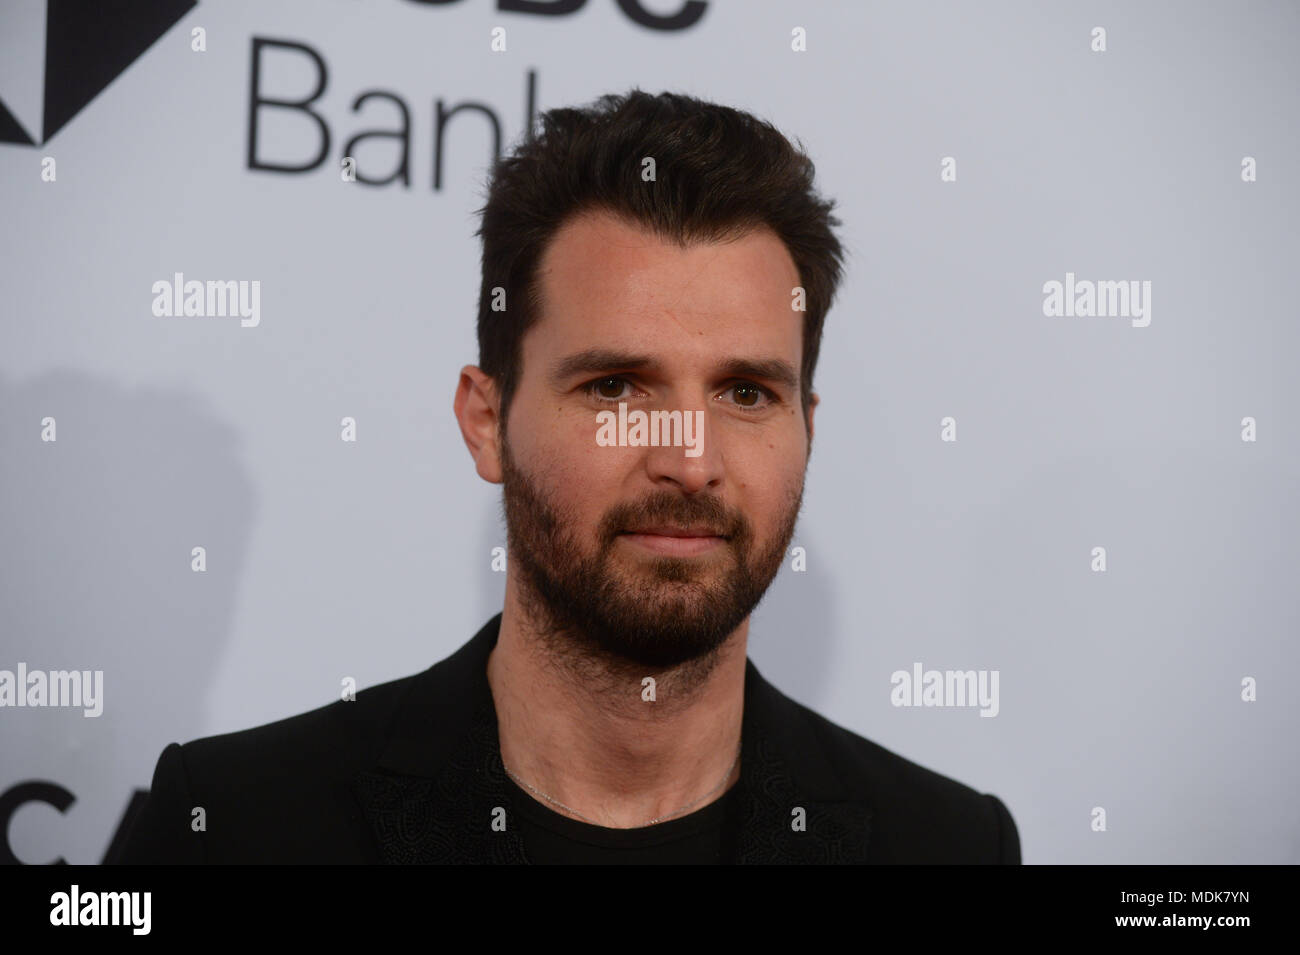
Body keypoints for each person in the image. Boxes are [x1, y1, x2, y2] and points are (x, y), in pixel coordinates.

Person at [111, 89, 1020, 864]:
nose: (689, 459)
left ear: (807, 432)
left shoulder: (945, 844)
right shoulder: (232, 825)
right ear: (486, 423)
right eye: (615, 385)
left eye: (745, 392)